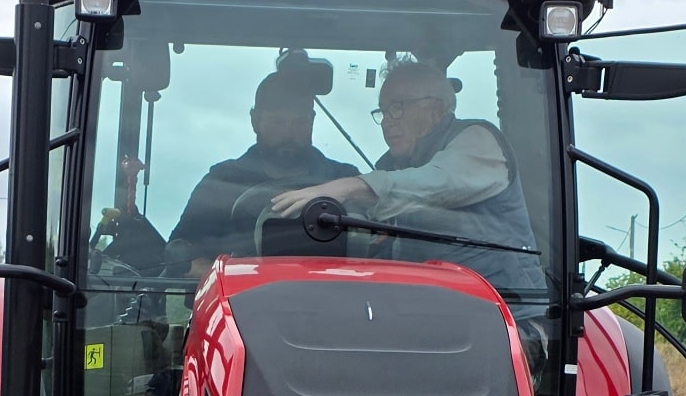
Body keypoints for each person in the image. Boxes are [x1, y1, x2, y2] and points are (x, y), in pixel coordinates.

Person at [267, 59, 542, 293]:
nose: (387, 121)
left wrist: (351, 186)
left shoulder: (478, 142)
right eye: (383, 111)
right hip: (422, 307)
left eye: (397, 108)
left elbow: (434, 185)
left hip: (507, 315)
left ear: (435, 109)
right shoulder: (393, 168)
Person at [165, 61, 361, 269]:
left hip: (334, 297)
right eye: (277, 121)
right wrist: (223, 278)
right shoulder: (222, 181)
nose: (289, 133)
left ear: (312, 121)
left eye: (299, 122)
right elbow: (180, 250)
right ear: (255, 120)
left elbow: (373, 246)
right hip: (237, 299)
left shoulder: (345, 181)